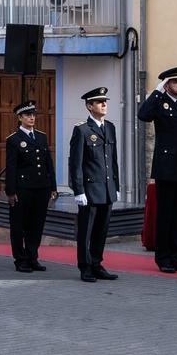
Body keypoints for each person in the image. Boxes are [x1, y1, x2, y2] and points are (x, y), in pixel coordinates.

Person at [136, 67, 177, 274]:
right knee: (165, 215)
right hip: (166, 169)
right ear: (166, 85)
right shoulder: (160, 104)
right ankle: (163, 258)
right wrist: (156, 93)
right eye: (175, 82)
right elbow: (143, 115)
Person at [68, 87, 121, 283]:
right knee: (86, 230)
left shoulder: (110, 127)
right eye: (99, 102)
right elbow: (76, 163)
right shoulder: (82, 129)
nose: (104, 104)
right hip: (90, 189)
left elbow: (113, 160)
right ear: (89, 106)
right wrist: (78, 190)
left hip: (106, 188)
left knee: (102, 229)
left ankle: (97, 263)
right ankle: (85, 266)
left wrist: (116, 184)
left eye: (105, 101)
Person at [5, 101, 56, 273]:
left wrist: (53, 186)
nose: (32, 118)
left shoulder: (41, 137)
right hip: (23, 188)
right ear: (20, 118)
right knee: (19, 225)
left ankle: (32, 256)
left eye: (33, 114)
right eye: (28, 115)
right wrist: (11, 191)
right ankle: (21, 259)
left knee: (37, 224)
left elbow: (48, 163)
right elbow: (11, 167)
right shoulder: (14, 139)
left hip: (41, 187)